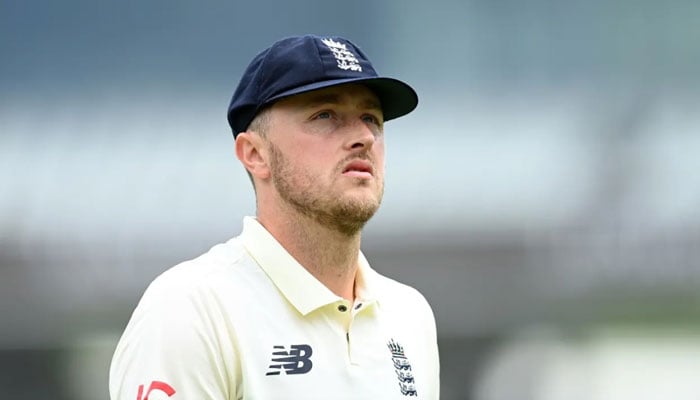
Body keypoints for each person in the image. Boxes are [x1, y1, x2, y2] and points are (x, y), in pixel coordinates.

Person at [109, 34, 440, 400]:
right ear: (254, 154)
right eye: (325, 115)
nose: (363, 136)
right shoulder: (192, 309)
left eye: (371, 117)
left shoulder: (409, 315)